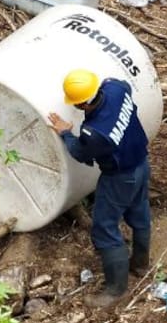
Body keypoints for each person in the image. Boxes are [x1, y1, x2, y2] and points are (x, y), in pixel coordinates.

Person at [47, 69, 151, 307]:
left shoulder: (95, 133)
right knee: (139, 211)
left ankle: (116, 290)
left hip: (120, 177)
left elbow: (82, 154)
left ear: (83, 103)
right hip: (141, 164)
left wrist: (66, 133)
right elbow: (124, 85)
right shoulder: (116, 88)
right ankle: (141, 264)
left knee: (104, 228)